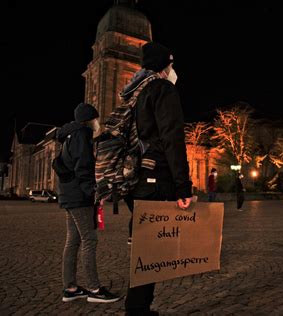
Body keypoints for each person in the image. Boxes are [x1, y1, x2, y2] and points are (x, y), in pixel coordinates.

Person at [123, 42, 193, 315]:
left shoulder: (135, 93)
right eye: (171, 65)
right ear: (164, 66)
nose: (173, 70)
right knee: (150, 250)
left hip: (138, 179)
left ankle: (138, 307)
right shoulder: (162, 89)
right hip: (156, 178)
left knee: (145, 248)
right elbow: (172, 139)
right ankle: (137, 309)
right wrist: (182, 186)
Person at [57, 103, 121, 303]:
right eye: (96, 119)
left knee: (73, 241)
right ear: (90, 120)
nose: (97, 123)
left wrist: (106, 137)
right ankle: (94, 289)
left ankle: (71, 288)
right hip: (79, 197)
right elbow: (83, 167)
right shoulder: (82, 136)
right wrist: (94, 192)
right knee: (89, 239)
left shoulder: (70, 135)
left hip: (69, 195)